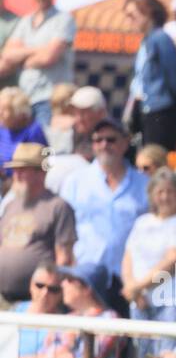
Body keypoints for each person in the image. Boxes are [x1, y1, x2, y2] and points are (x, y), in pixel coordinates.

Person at [121, 169, 176, 357]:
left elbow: (175, 260)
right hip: (140, 302)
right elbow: (128, 257)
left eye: (170, 191)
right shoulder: (142, 222)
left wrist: (138, 287)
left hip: (174, 301)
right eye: (160, 192)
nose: (165, 197)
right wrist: (132, 289)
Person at [59, 118, 149, 287]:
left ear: (125, 143)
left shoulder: (144, 184)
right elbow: (63, 229)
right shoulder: (75, 181)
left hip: (129, 278)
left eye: (111, 140)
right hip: (84, 276)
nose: (104, 145)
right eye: (98, 140)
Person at [0, 141, 74, 303]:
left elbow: (64, 258)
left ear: (41, 172)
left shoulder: (57, 206)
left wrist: (48, 295)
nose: (16, 175)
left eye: (22, 169)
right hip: (3, 298)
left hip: (37, 299)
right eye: (14, 170)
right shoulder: (11, 205)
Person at [0, 0, 75, 128]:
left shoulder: (64, 19)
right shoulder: (25, 21)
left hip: (50, 99)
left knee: (46, 149)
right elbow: (8, 54)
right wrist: (39, 49)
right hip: (24, 100)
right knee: (27, 148)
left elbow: (48, 57)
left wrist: (21, 58)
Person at [123, 0, 176, 151]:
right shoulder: (147, 40)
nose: (128, 21)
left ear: (147, 12)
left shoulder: (160, 38)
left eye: (132, 15)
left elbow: (172, 76)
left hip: (161, 110)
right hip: (146, 108)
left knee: (156, 156)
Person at [0, 85, 44, 166]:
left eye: (4, 110)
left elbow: (38, 163)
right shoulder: (2, 128)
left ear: (20, 114)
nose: (0, 113)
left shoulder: (32, 130)